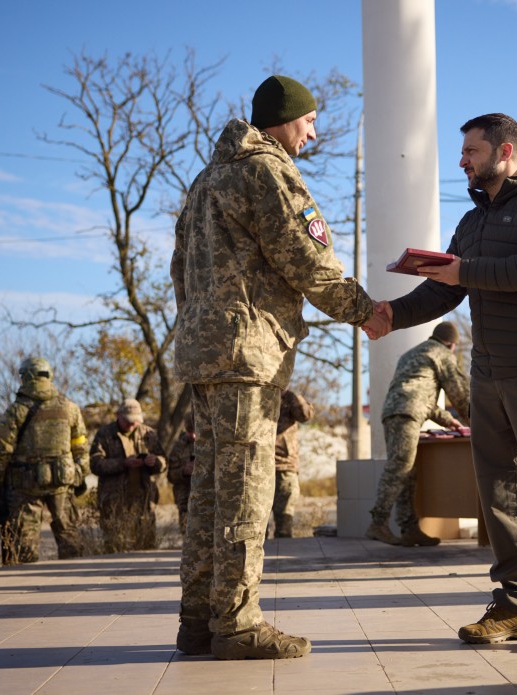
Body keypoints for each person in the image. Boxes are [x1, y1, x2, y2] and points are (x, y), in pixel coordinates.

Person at [170, 74, 387, 660]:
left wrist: (204, 328)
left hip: (205, 354)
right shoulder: (265, 169)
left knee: (209, 493)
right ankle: (237, 626)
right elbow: (308, 259)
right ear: (282, 119)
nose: (314, 132)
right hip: (247, 356)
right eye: (309, 120)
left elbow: (180, 271)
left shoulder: (204, 180)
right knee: (245, 490)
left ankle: (198, 621)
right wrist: (366, 312)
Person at [374, 113, 517, 652]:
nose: (462, 160)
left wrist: (465, 272)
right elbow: (443, 292)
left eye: (471, 151)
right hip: (488, 372)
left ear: (505, 151)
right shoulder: (472, 220)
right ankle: (516, 603)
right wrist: (388, 314)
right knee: (499, 489)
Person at [366, 321, 470, 548]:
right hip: (407, 414)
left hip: (392, 412)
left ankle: (409, 528)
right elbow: (459, 393)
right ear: (451, 344)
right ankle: (378, 522)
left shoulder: (413, 354)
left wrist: (448, 420)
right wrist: (476, 420)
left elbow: (419, 395)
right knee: (399, 467)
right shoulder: (441, 353)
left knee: (407, 471)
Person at [0, 357, 90, 564]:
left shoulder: (16, 410)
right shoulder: (70, 408)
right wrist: (79, 475)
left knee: (24, 544)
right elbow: (81, 448)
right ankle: (74, 582)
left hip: (25, 486)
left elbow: (1, 451)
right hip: (62, 481)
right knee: (69, 537)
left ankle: (25, 588)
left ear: (28, 377)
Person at [89, 398, 167, 553]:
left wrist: (155, 462)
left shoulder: (148, 433)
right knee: (114, 546)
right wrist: (123, 463)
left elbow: (164, 461)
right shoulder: (104, 434)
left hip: (144, 500)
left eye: (135, 421)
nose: (132, 425)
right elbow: (95, 464)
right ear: (118, 415)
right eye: (128, 421)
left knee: (147, 546)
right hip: (114, 500)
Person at [272, 389, 314, 539]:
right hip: (258, 467)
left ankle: (282, 558)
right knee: (256, 526)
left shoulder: (289, 398)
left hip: (284, 467)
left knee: (284, 523)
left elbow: (305, 415)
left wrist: (293, 396)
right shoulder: (258, 392)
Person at [166, 412, 196, 534]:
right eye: (190, 431)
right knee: (187, 535)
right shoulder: (178, 447)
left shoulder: (210, 444)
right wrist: (183, 471)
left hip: (209, 499)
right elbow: (170, 475)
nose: (193, 436)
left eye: (196, 431)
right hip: (185, 500)